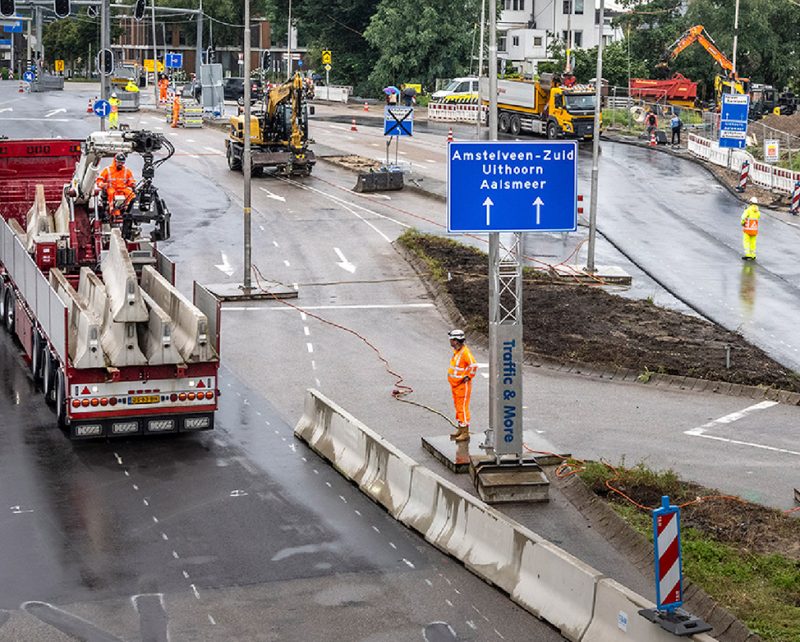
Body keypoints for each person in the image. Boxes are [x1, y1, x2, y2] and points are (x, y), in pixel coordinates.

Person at [447, 328, 477, 442]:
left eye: (451, 339)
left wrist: (468, 376)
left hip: (462, 386)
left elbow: (473, 365)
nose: (450, 341)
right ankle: (461, 429)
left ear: (456, 340)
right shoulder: (458, 352)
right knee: (458, 408)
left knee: (462, 409)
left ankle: (465, 432)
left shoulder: (465, 353)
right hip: (456, 385)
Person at [96, 153, 136, 225]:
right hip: (111, 188)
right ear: (115, 161)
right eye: (119, 162)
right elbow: (99, 180)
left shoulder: (127, 171)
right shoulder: (107, 170)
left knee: (132, 195)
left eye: (122, 162)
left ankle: (129, 210)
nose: (120, 164)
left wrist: (132, 184)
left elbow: (131, 180)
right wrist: (102, 185)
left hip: (123, 189)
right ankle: (113, 211)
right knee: (111, 194)